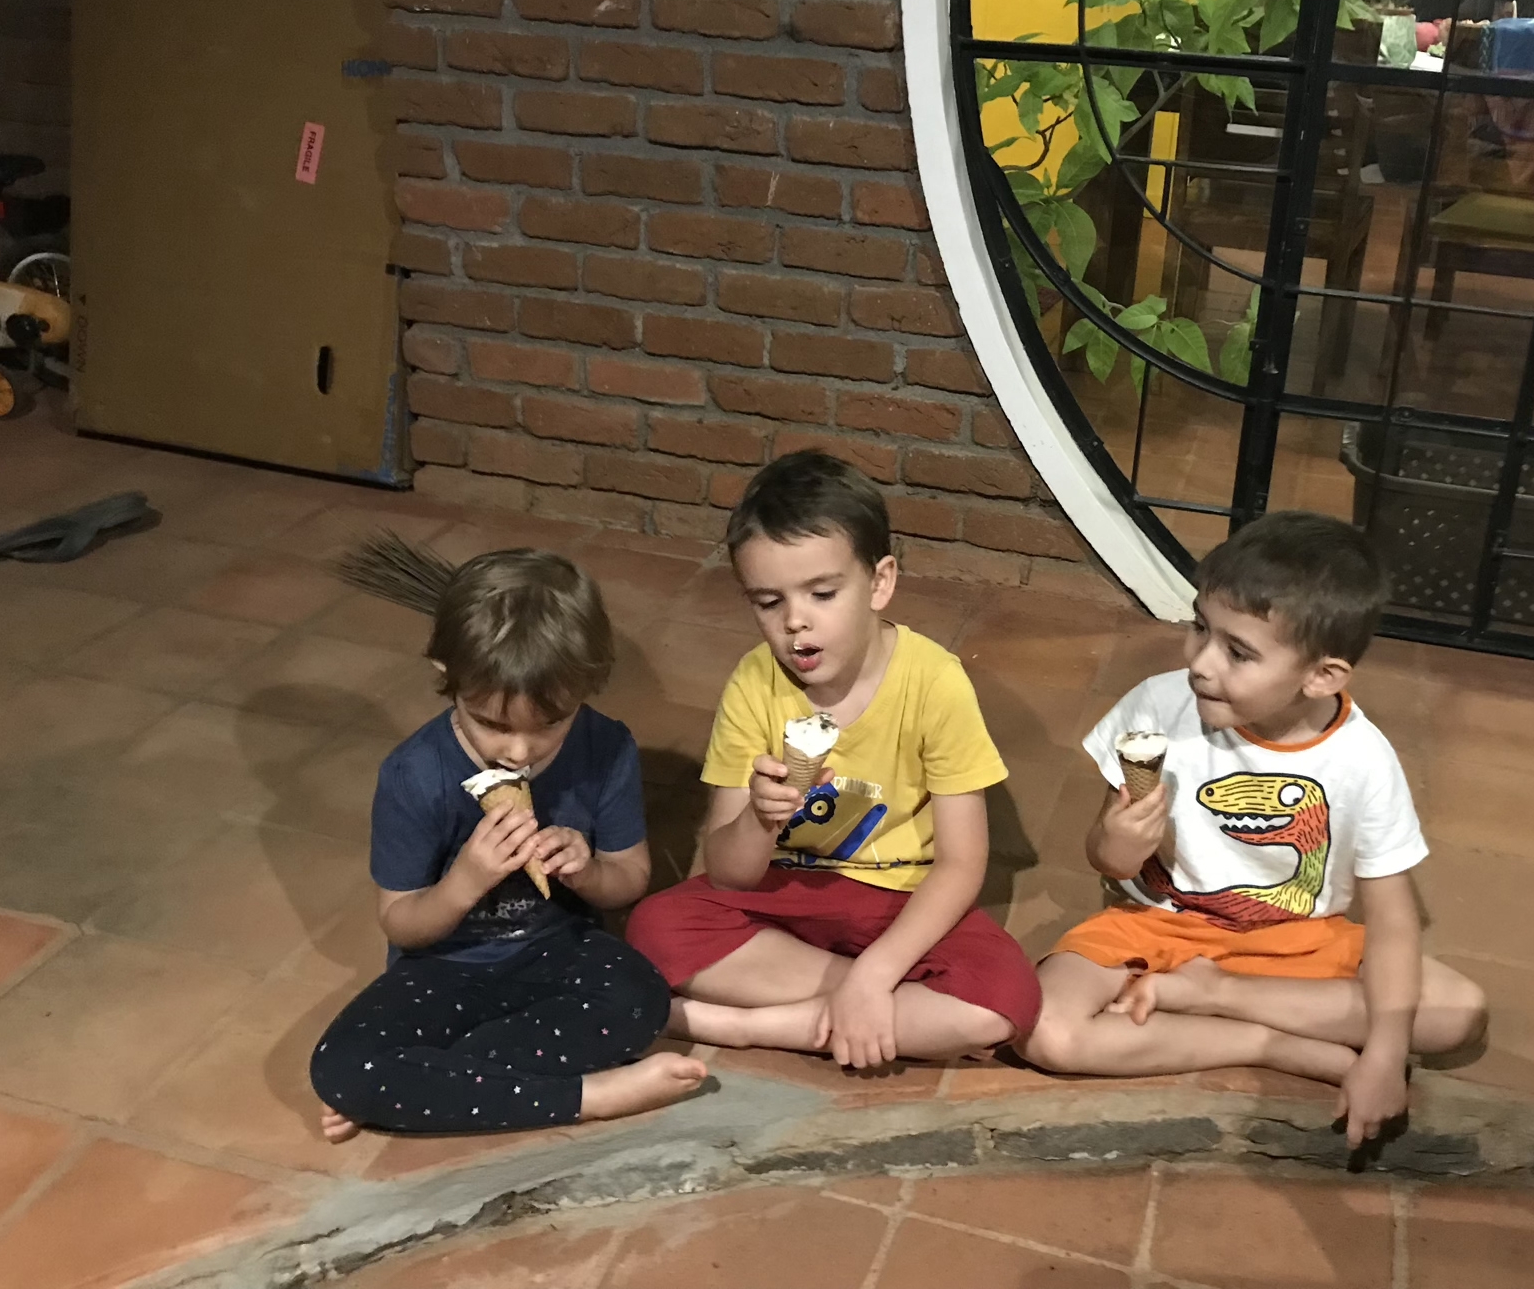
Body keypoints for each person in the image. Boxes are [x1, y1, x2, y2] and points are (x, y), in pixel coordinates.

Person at [1018, 513, 1485, 1147]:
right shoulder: (1157, 706)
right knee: (1045, 1030)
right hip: (1155, 926)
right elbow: (1108, 858)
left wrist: (1384, 1054)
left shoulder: (1363, 760)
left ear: (1321, 676)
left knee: (1457, 1012)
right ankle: (1268, 1042)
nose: (1200, 664)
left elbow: (1394, 921)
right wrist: (1118, 845)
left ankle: (1215, 995)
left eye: (1238, 652)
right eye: (1199, 628)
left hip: (1298, 942)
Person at [627, 451, 1040, 1067]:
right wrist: (760, 819)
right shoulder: (754, 682)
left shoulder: (935, 681)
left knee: (1004, 999)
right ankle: (880, 1008)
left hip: (899, 897)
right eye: (768, 602)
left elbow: (961, 864)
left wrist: (875, 972)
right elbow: (729, 874)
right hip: (787, 891)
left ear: (880, 583)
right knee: (655, 928)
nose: (796, 622)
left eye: (822, 593)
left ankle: (747, 1025)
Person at [309, 549, 706, 1142]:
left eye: (550, 724)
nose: (519, 751)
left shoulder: (606, 747)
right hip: (443, 968)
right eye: (492, 724)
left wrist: (586, 870)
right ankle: (591, 1095)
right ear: (448, 676)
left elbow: (629, 879)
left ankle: (428, 1087)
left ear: (585, 688)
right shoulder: (414, 775)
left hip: (559, 952)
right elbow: (401, 924)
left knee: (640, 998)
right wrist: (466, 879)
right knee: (341, 1067)